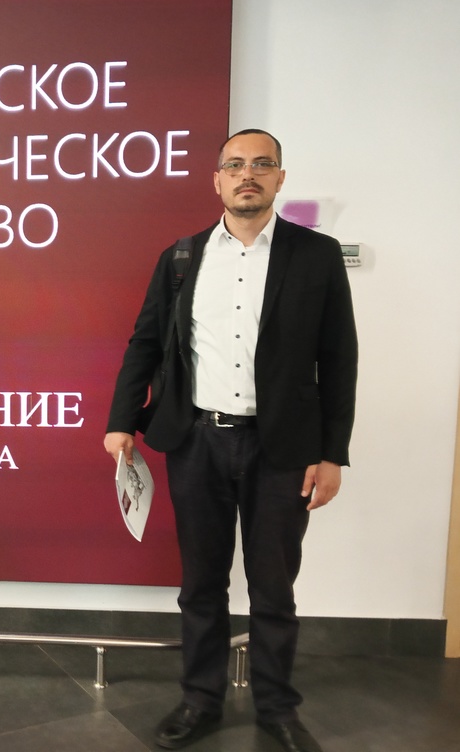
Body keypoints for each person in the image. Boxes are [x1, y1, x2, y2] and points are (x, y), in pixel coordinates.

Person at [104, 130, 357, 752]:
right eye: (235, 165)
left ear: (279, 178)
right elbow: (145, 342)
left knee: (274, 588)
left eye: (262, 164)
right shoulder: (181, 257)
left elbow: (339, 358)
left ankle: (277, 709)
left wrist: (333, 454)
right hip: (197, 443)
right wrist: (121, 420)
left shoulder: (316, 255)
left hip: (283, 452)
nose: (248, 174)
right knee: (201, 584)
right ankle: (200, 701)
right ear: (217, 179)